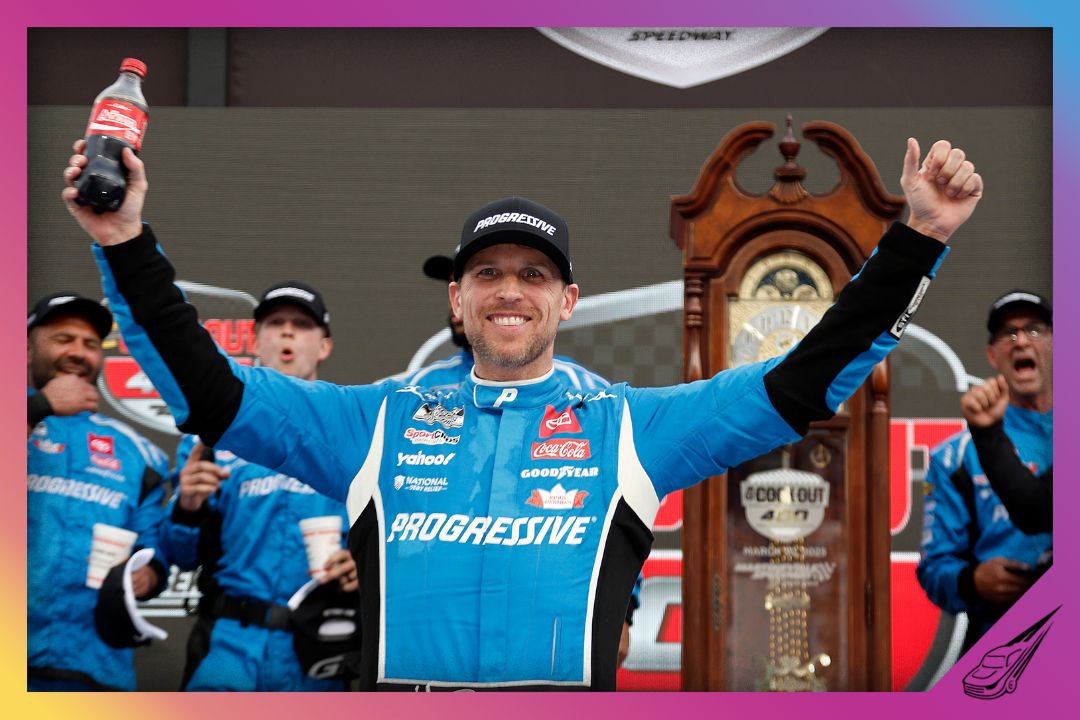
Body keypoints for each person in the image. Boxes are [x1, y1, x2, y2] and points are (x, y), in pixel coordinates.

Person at [64, 135, 981, 690]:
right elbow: (205, 389)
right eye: (489, 273)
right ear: (456, 298)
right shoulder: (373, 421)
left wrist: (920, 239)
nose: (510, 290)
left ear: (567, 301)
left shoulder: (628, 426)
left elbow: (803, 382)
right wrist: (121, 238)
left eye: (534, 275)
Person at [396, 255, 638, 667]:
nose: (496, 292)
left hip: (549, 622)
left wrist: (624, 608)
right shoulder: (415, 394)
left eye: (523, 277)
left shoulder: (587, 393)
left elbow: (619, 505)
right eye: (477, 278)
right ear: (457, 297)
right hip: (436, 624)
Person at [159, 281, 360, 691]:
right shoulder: (210, 440)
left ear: (324, 346)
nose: (287, 332)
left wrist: (365, 567)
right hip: (228, 647)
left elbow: (394, 542)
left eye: (301, 325)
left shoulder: (354, 434)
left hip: (317, 651)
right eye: (275, 323)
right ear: (254, 342)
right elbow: (179, 557)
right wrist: (188, 508)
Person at [27, 292, 170, 691]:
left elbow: (152, 545)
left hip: (97, 670)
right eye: (63, 339)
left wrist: (149, 574)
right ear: (26, 349)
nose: (78, 352)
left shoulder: (139, 453)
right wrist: (40, 406)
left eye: (90, 344)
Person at [917, 290, 1052, 652]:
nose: (1021, 341)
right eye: (1008, 333)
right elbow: (934, 569)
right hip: (1000, 644)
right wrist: (972, 581)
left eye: (1034, 329)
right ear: (992, 355)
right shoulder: (955, 455)